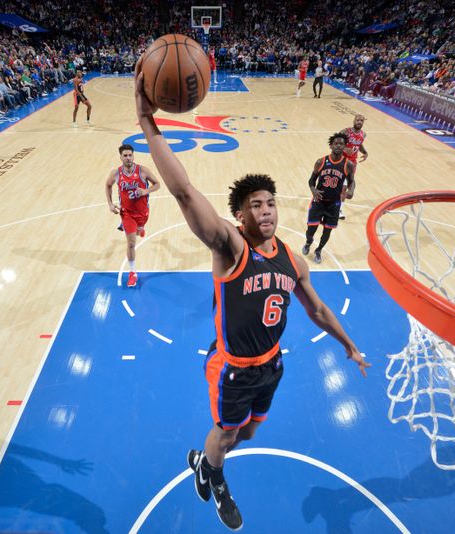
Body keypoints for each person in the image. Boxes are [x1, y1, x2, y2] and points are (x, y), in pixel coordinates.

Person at [134, 65, 369, 531]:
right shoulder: (230, 247)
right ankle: (212, 472)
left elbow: (318, 309)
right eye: (255, 205)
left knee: (250, 431)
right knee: (226, 433)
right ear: (239, 216)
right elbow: (182, 192)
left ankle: (208, 459)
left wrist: (347, 342)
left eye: (270, 203)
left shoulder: (291, 260)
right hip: (232, 369)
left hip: (271, 364)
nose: (265, 211)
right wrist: (146, 121)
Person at [105, 143, 160, 288]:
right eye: (125, 156)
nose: (128, 158)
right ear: (121, 157)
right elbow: (108, 185)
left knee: (138, 231)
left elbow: (157, 184)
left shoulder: (143, 170)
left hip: (142, 212)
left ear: (133, 156)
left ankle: (140, 228)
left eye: (130, 155)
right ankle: (133, 272)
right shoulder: (116, 174)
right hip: (127, 213)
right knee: (131, 243)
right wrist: (110, 204)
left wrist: (145, 191)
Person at [302, 132, 354, 264]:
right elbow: (311, 181)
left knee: (327, 232)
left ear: (344, 147)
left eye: (341, 144)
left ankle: (319, 250)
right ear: (331, 146)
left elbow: (352, 181)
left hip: (334, 204)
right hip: (318, 202)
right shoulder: (321, 162)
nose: (338, 146)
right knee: (310, 230)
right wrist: (313, 190)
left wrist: (351, 190)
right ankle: (309, 242)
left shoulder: (348, 165)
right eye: (336, 143)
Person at [339, 114, 368, 219]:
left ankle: (339, 210)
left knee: (344, 187)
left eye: (361, 120)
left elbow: (359, 145)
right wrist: (343, 148)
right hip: (341, 160)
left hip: (352, 162)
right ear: (353, 120)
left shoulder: (363, 134)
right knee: (336, 186)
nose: (359, 122)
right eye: (357, 120)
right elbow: (334, 143)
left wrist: (365, 152)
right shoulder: (345, 132)